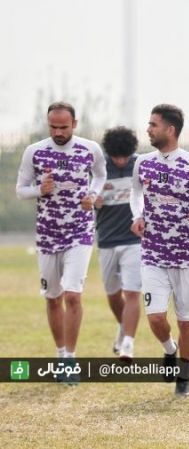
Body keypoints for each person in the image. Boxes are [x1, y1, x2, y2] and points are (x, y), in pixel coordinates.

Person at [131, 104, 189, 397]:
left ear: (170, 130)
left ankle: (184, 372)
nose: (148, 129)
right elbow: (136, 193)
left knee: (186, 320)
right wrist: (137, 215)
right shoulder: (143, 162)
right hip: (153, 252)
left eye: (153, 124)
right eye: (149, 124)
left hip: (186, 255)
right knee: (156, 317)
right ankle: (170, 350)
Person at [15, 102, 106, 384]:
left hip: (80, 231)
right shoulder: (34, 151)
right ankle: (59, 354)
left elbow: (100, 175)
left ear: (74, 124)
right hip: (47, 233)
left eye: (63, 127)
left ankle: (70, 359)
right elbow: (20, 190)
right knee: (53, 298)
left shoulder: (90, 149)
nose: (58, 132)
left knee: (73, 295)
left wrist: (92, 194)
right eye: (53, 127)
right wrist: (39, 190)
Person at [94, 126, 142, 361]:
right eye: (116, 157)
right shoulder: (98, 168)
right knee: (113, 295)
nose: (121, 161)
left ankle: (128, 345)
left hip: (135, 240)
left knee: (132, 292)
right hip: (107, 240)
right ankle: (123, 328)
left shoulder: (140, 165)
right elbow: (82, 198)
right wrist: (92, 201)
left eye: (125, 156)